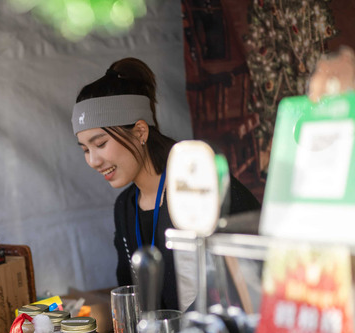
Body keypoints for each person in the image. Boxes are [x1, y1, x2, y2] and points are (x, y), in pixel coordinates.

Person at [72, 58, 261, 311]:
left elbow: (254, 275)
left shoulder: (198, 188)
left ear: (140, 132)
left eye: (100, 143)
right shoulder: (125, 207)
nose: (93, 161)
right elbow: (130, 293)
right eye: (85, 149)